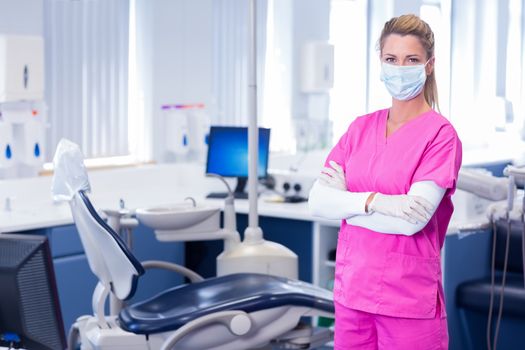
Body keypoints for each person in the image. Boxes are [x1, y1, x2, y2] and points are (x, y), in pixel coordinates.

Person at [308, 14, 462, 350]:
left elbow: (413, 220)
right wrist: (375, 202)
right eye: (391, 59)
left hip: (407, 300)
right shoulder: (360, 129)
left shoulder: (440, 136)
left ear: (429, 65)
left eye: (411, 60)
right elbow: (318, 202)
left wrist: (346, 203)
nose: (399, 68)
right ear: (380, 62)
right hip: (352, 295)